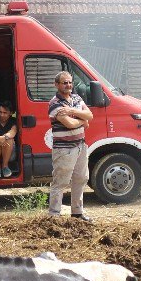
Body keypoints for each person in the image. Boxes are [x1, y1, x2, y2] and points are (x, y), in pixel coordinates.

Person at [48, 71, 94, 220]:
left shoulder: (76, 98)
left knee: (81, 178)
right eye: (64, 83)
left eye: (70, 82)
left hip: (81, 145)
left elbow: (90, 115)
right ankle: (54, 216)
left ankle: (77, 213)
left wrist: (73, 111)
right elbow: (70, 124)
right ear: (56, 85)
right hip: (64, 149)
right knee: (60, 182)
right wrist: (83, 120)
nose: (68, 85)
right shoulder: (55, 103)